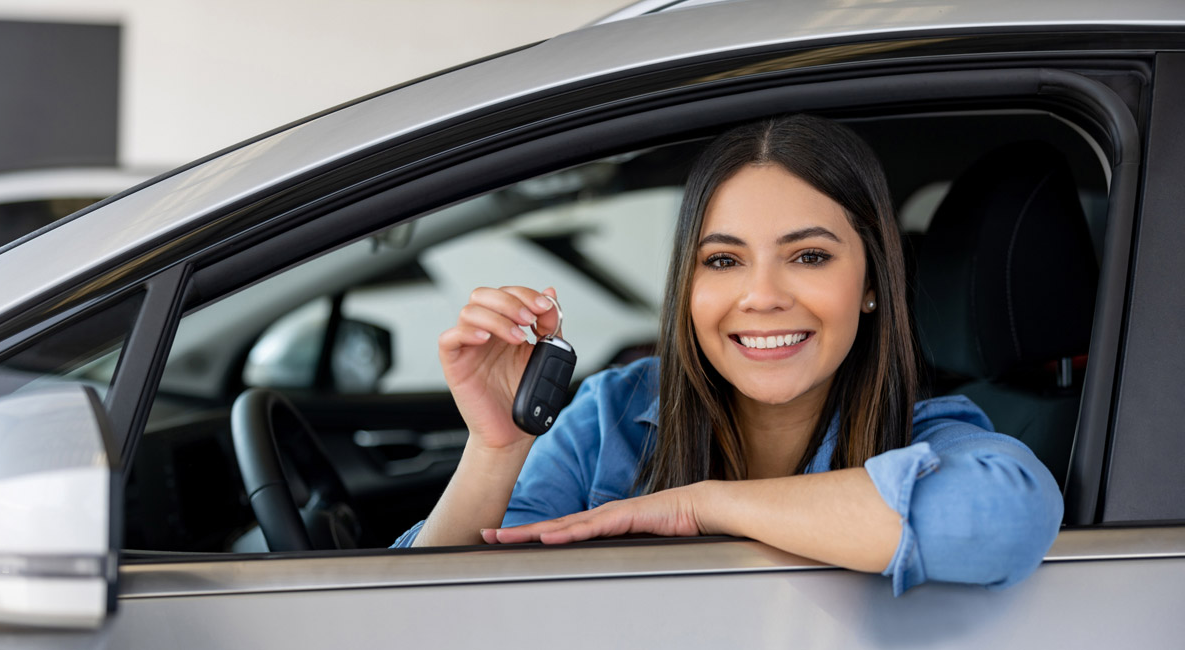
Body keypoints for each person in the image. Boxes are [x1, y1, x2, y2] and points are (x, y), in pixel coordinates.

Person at [392, 115, 1063, 595]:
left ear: (870, 285)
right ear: (688, 284)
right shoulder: (613, 413)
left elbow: (1005, 519)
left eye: (809, 256)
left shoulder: (930, 432)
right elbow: (433, 612)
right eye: (723, 260)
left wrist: (705, 506)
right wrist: (497, 448)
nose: (762, 296)